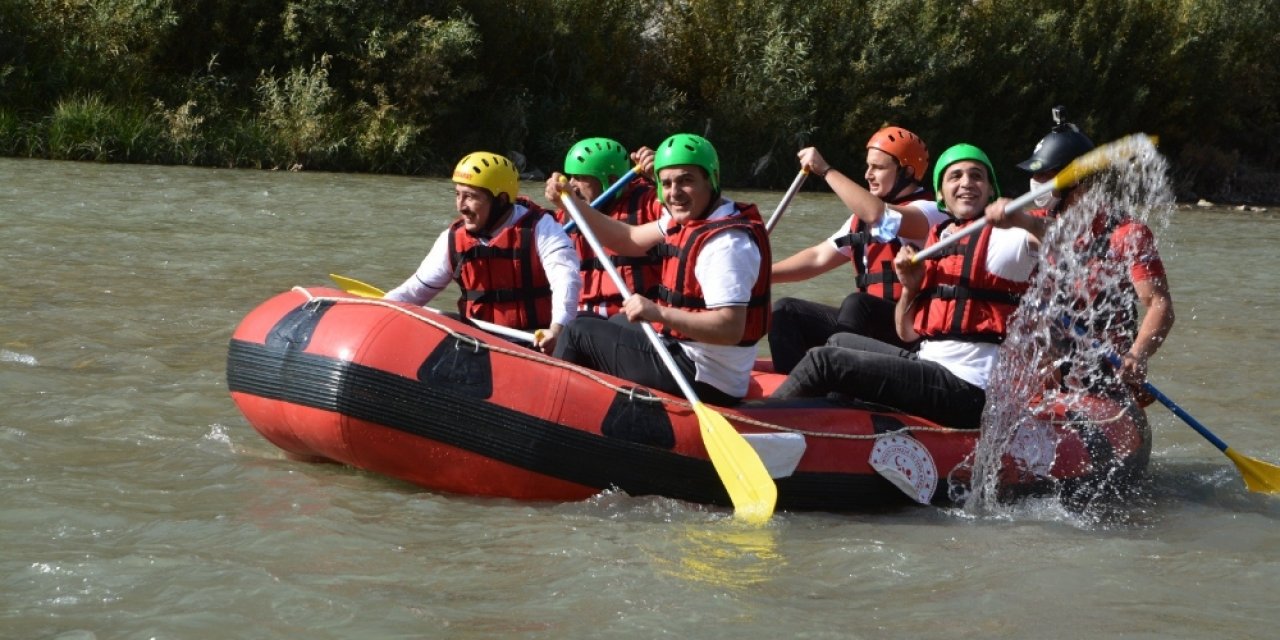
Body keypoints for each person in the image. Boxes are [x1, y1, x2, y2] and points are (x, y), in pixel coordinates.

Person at [772, 144, 1048, 429]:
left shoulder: (1012, 236)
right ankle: (826, 424)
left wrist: (1024, 220)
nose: (966, 182)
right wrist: (910, 287)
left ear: (991, 190)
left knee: (825, 361)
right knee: (838, 341)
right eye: (955, 177)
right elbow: (906, 332)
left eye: (977, 176)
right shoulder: (940, 238)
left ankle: (768, 425)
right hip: (929, 364)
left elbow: (1064, 240)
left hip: (970, 388)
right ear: (942, 194)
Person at [545, 133, 771, 406]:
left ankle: (554, 411)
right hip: (690, 355)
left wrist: (659, 312)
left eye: (686, 180)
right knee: (610, 322)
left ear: (711, 179)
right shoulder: (692, 217)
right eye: (666, 183)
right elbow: (626, 239)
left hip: (705, 376)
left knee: (577, 333)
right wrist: (571, 203)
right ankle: (601, 408)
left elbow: (730, 328)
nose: (674, 192)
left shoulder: (726, 244)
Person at [1018, 107, 1175, 398]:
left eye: (1045, 174)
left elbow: (1159, 305)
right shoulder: (1032, 223)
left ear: (1077, 181)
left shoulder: (1127, 235)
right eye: (1035, 174)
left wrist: (1137, 355)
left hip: (1101, 371)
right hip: (1044, 368)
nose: (1036, 182)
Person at [768, 127, 949, 373]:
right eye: (868, 166)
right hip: (867, 328)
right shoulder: (860, 220)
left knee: (857, 304)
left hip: (909, 332)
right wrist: (760, 275)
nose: (868, 174)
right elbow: (817, 257)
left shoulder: (930, 212)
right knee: (785, 311)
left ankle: (839, 386)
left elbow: (880, 215)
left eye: (878, 167)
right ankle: (793, 392)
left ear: (906, 172)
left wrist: (826, 170)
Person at [384, 151, 582, 354]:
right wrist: (378, 308)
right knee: (442, 322)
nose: (461, 206)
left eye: (470, 197)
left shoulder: (542, 228)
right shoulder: (452, 238)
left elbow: (566, 281)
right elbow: (414, 291)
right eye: (458, 194)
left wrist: (558, 329)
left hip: (535, 343)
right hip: (479, 344)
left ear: (501, 200)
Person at [554, 137, 663, 318]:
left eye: (581, 178)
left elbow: (684, 213)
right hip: (579, 319)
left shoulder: (649, 204)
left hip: (630, 320)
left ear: (611, 181)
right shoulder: (565, 212)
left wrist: (662, 176)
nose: (571, 185)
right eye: (570, 177)